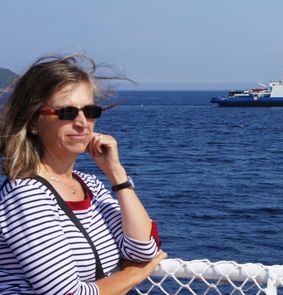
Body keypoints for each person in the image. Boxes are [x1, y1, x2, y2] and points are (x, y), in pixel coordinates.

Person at [0, 54, 167, 294]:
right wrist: (133, 275)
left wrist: (116, 174)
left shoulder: (89, 185)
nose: (82, 123)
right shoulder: (25, 196)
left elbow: (143, 248)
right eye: (67, 112)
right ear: (33, 121)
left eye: (89, 111)